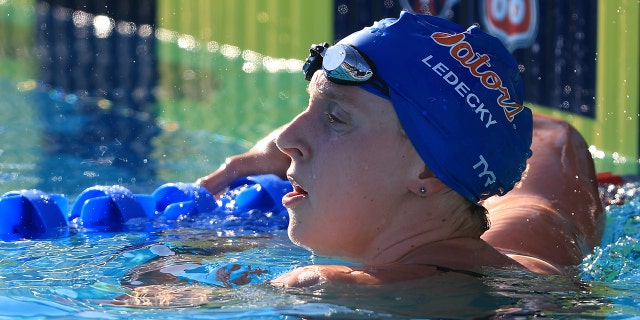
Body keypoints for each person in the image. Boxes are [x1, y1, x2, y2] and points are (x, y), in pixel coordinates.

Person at [197, 11, 604, 287]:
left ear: (428, 173)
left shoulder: (324, 289)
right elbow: (551, 136)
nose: (287, 141)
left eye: (336, 118)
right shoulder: (541, 256)